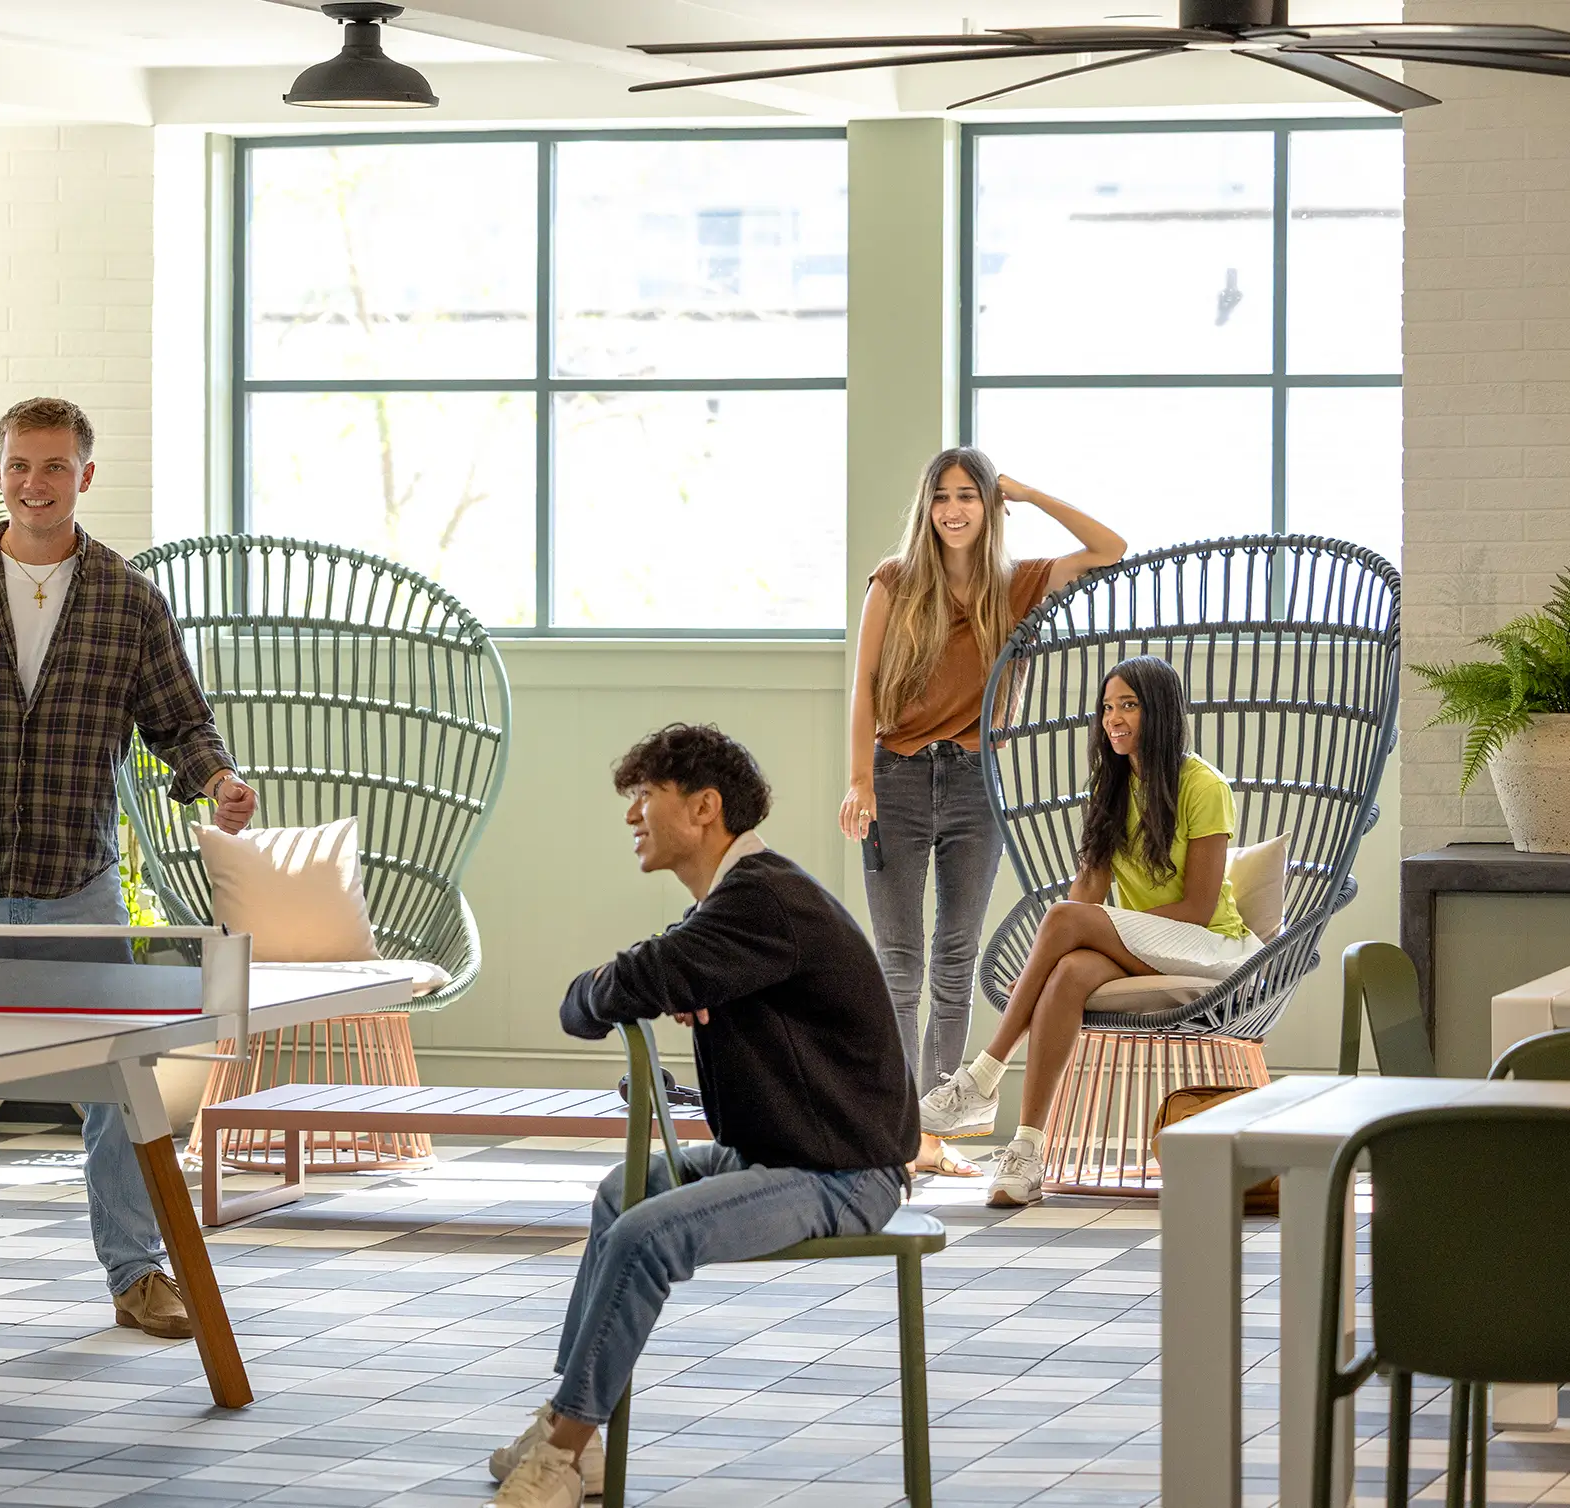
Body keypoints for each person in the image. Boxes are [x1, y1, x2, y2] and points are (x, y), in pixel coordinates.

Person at [0, 395, 260, 1344]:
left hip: (78, 883)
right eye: (21, 465)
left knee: (121, 1085)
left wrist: (219, 782)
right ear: (2, 470)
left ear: (85, 477)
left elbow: (180, 725)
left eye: (55, 466)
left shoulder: (129, 599)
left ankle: (138, 1273)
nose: (36, 484)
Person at [482, 724, 916, 1508]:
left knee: (649, 1232)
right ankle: (574, 1432)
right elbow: (629, 985)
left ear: (705, 807)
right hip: (780, 1153)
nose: (630, 817)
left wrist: (641, 984)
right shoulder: (738, 904)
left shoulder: (761, 901)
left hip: (842, 1172)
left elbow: (621, 984)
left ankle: (559, 1451)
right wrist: (655, 986)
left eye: (645, 796)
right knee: (624, 1194)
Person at [840, 450, 1123, 1179]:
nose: (954, 510)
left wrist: (1028, 492)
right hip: (896, 778)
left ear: (987, 506)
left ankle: (936, 1131)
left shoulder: (1019, 584)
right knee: (900, 963)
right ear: (926, 508)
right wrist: (858, 781)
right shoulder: (894, 580)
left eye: (969, 495)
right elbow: (865, 683)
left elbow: (1110, 549)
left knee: (956, 958)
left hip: (975, 783)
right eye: (941, 497)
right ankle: (896, 1131)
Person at [917, 655, 1264, 1208]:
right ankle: (1027, 1153)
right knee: (1069, 970)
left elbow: (1198, 908)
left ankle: (984, 1075)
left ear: (1162, 711)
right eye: (1107, 707)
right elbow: (1087, 899)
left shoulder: (1204, 785)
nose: (1113, 718)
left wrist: (1080, 930)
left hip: (1209, 947)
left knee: (1061, 921)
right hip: (1142, 945)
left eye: (1128, 705)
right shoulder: (1112, 788)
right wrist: (1050, 963)